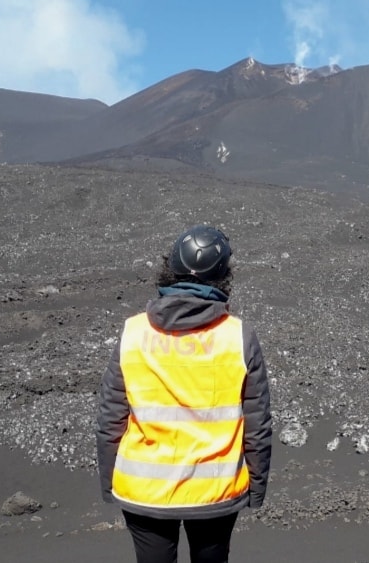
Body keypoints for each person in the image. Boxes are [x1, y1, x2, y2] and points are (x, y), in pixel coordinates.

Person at [96, 224, 273, 563]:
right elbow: (258, 424)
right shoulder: (238, 337)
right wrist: (257, 489)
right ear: (223, 277)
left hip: (143, 490)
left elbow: (111, 418)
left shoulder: (133, 333)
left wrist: (111, 484)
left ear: (171, 268)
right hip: (215, 492)